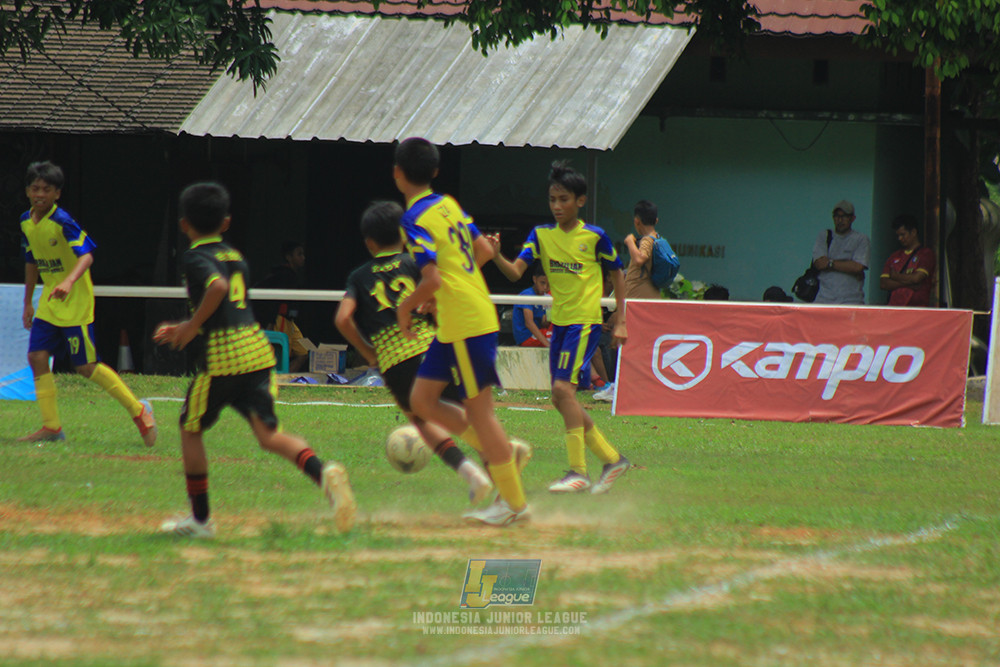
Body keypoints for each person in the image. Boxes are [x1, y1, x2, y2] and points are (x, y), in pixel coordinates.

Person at [154, 182, 354, 538]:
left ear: (184, 224)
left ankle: (200, 521)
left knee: (190, 428)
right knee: (269, 435)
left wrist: (190, 325)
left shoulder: (193, 257)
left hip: (223, 358)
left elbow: (215, 289)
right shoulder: (237, 258)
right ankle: (324, 475)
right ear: (226, 222)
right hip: (258, 354)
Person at [335, 200, 516, 507]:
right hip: (436, 348)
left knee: (420, 421)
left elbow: (342, 319)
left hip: (396, 359)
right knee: (475, 415)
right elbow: (446, 279)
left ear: (369, 242)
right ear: (403, 236)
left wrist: (368, 352)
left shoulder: (360, 276)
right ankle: (503, 489)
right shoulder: (414, 263)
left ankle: (473, 474)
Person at [392, 137, 529, 526]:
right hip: (458, 321)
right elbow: (483, 250)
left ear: (397, 174)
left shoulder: (413, 219)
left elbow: (431, 277)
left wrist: (407, 306)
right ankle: (503, 453)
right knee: (421, 400)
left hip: (467, 323)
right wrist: (445, 290)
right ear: (435, 172)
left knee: (480, 412)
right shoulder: (448, 204)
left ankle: (515, 506)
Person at [490, 161, 632, 494]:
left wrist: (621, 319)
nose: (557, 206)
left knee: (563, 393)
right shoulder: (540, 236)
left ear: (580, 201)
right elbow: (514, 272)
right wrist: (497, 256)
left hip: (584, 323)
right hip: (559, 324)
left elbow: (618, 275)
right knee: (560, 397)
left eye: (564, 199)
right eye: (553, 199)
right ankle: (612, 459)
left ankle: (578, 471)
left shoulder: (594, 237)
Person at [17, 161, 157, 446]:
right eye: (35, 188)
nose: (39, 194)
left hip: (75, 303)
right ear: (27, 191)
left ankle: (139, 410)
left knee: (85, 367)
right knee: (37, 357)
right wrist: (28, 302)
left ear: (57, 193)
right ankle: (52, 427)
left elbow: (87, 255)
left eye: (46, 189)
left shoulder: (63, 221)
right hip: (49, 302)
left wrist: (69, 282)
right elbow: (31, 261)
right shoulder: (25, 221)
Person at [255, 240, 309, 372]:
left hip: (290, 322)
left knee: (304, 352)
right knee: (278, 354)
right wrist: (270, 322)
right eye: (299, 254)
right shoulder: (283, 275)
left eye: (303, 254)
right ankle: (276, 382)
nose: (303, 258)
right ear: (289, 257)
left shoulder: (292, 275)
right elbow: (274, 301)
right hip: (280, 320)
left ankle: (285, 379)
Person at [812, 199, 870, 305]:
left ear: (852, 218)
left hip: (851, 301)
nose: (840, 220)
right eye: (837, 216)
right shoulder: (824, 236)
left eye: (844, 216)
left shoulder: (861, 239)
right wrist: (847, 265)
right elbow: (819, 263)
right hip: (824, 299)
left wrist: (830, 263)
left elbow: (858, 267)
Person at [880, 214, 936, 307]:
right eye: (898, 235)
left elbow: (916, 278)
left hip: (917, 310)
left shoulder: (926, 254)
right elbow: (883, 284)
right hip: (894, 309)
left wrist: (895, 276)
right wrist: (911, 285)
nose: (900, 238)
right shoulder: (894, 256)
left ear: (913, 232)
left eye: (903, 234)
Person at [622, 199, 664, 300]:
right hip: (647, 297)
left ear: (636, 221)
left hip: (640, 300)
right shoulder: (657, 238)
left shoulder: (648, 239)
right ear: (656, 221)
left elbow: (640, 259)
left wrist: (629, 242)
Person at [512, 263, 551, 347]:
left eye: (548, 284)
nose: (545, 287)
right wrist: (547, 344)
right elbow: (529, 323)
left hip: (539, 334)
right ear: (534, 279)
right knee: (555, 338)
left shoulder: (546, 296)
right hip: (526, 337)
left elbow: (544, 323)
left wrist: (550, 315)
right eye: (542, 283)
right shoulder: (527, 295)